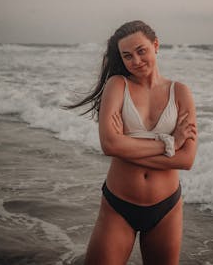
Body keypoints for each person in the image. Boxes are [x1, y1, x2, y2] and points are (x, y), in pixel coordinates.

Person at [68, 20, 197, 265]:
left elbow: (187, 159)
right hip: (119, 205)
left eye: (141, 51)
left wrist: (127, 144)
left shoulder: (180, 92)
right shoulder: (117, 85)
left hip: (166, 208)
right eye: (127, 56)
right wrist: (170, 142)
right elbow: (109, 145)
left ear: (155, 45)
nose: (135, 61)